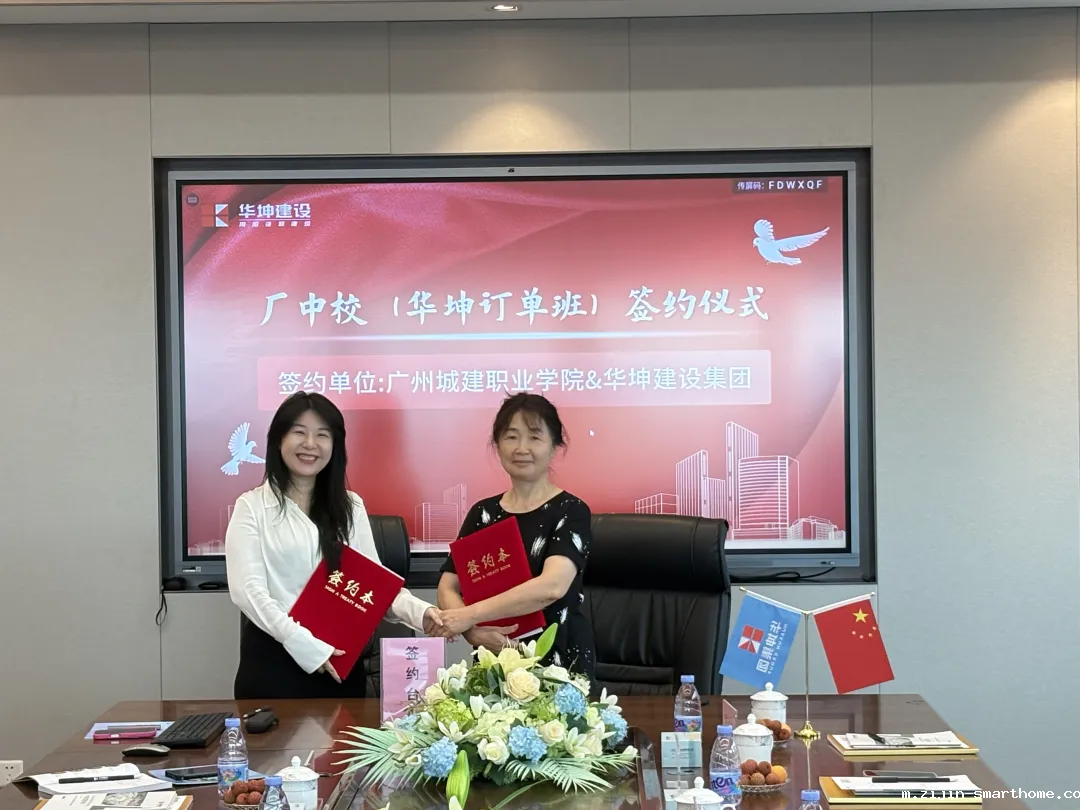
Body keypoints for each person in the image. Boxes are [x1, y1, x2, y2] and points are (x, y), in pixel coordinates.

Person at [226, 392, 444, 699]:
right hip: (274, 664)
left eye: (322, 435)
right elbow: (248, 591)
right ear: (278, 440)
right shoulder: (251, 507)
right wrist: (303, 643)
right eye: (299, 432)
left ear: (335, 446)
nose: (310, 444)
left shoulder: (350, 507)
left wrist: (422, 612)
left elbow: (373, 586)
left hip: (340, 663)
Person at [435, 393, 596, 681]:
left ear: (554, 446)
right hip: (493, 663)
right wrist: (472, 632)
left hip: (558, 666)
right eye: (511, 437)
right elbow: (448, 585)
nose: (522, 448)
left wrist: (469, 616)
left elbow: (552, 587)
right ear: (497, 445)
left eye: (534, 437)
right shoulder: (482, 513)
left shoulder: (571, 511)